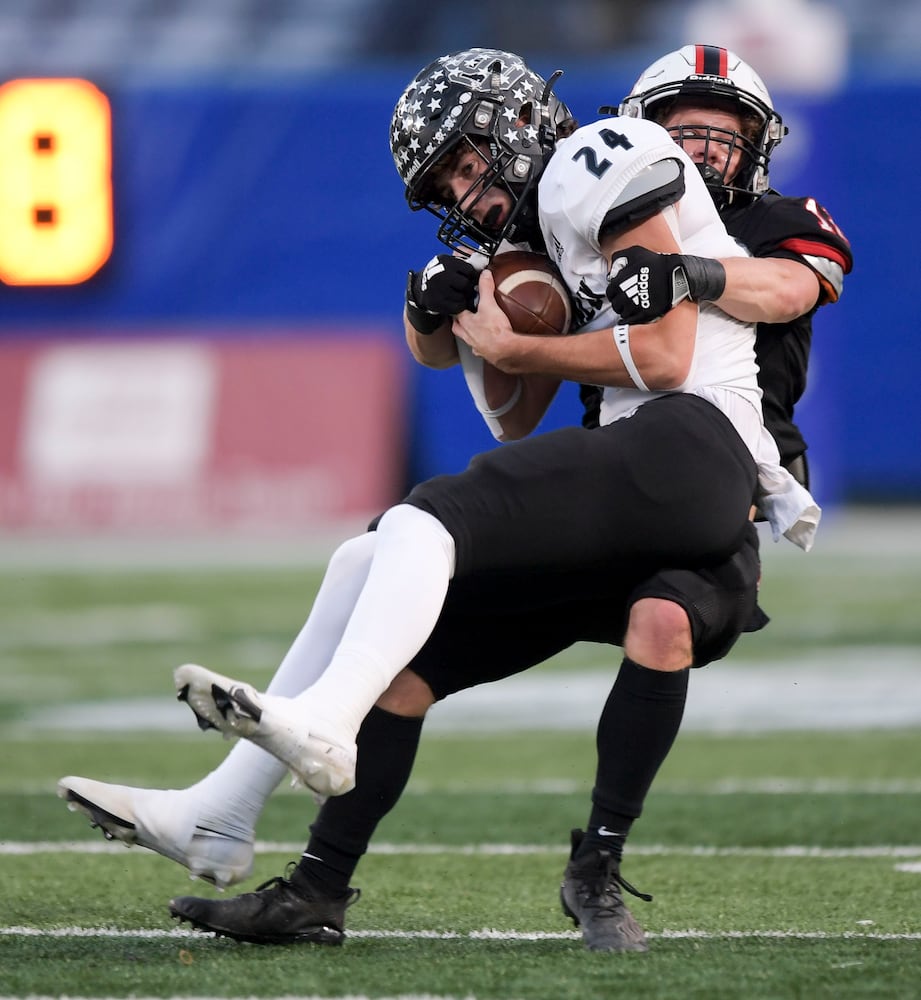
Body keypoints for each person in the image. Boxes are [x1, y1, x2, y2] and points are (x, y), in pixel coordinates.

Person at [58, 47, 822, 953]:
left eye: (467, 162)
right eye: (446, 182)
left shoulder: (605, 152)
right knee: (379, 561)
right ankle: (231, 825)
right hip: (639, 472)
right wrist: (452, 326)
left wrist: (524, 346)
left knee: (431, 513)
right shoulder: (536, 233)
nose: (463, 192)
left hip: (695, 448)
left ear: (515, 122)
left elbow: (661, 360)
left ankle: (325, 726)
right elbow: (511, 419)